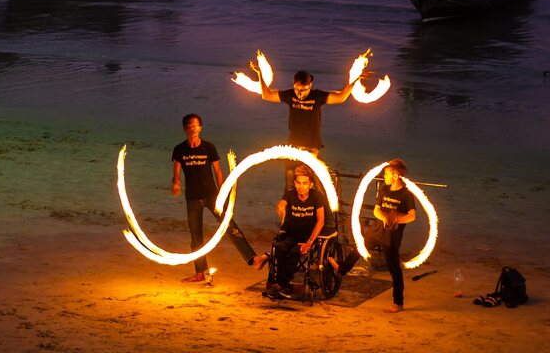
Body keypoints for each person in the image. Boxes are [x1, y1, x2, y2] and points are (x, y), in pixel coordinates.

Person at [171, 113, 261, 284]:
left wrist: (223, 192)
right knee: (196, 237)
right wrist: (175, 183)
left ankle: (252, 258)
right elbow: (176, 174)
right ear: (184, 129)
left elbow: (218, 172)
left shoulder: (209, 147)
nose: (192, 128)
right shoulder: (179, 150)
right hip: (192, 198)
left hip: (212, 196)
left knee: (230, 226)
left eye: (195, 125)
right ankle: (200, 273)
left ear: (200, 128)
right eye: (189, 126)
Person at [254, 65, 364, 186]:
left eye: (304, 89)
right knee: (291, 183)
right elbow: (267, 95)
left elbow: (341, 97)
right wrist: (260, 73)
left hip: (312, 148)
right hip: (293, 148)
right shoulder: (290, 95)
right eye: (297, 89)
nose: (299, 93)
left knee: (321, 184)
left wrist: (355, 81)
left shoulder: (317, 96)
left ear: (310, 85)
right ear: (293, 85)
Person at [336, 158, 416, 312]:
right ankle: (341, 270)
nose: (384, 176)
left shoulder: (406, 194)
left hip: (391, 236)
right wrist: (385, 217)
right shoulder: (385, 189)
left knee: (394, 269)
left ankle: (398, 303)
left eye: (386, 173)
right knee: (359, 248)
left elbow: (412, 216)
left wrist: (396, 219)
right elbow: (376, 210)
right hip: (377, 230)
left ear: (395, 176)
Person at [263, 164, 327, 298]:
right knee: (280, 248)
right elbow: (282, 203)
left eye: (304, 183)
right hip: (292, 235)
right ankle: (282, 285)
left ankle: (281, 285)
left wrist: (309, 243)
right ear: (294, 183)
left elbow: (321, 220)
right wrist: (280, 207)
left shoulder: (317, 196)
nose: (301, 186)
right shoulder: (290, 194)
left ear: (310, 184)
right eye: (298, 183)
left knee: (294, 252)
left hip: (309, 237)